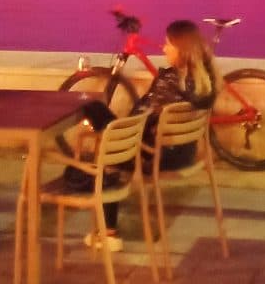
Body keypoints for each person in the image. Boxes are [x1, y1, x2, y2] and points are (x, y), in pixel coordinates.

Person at [72, 19, 218, 252]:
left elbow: (139, 119)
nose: (163, 48)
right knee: (112, 143)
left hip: (157, 155)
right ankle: (106, 227)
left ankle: (108, 231)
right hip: (184, 153)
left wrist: (116, 128)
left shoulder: (171, 80)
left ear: (181, 49)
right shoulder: (204, 80)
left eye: (168, 44)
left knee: (102, 130)